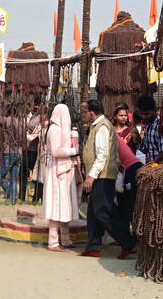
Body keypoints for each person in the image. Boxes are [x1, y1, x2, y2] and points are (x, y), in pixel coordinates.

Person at [79, 97, 137, 259]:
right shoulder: (97, 126)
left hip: (103, 175)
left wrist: (91, 176)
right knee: (93, 212)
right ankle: (93, 246)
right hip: (100, 174)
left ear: (92, 113)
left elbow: (103, 154)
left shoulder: (102, 127)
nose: (83, 115)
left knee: (102, 210)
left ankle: (127, 241)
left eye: (85, 112)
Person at [39, 103, 79, 251]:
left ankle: (66, 238)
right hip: (57, 171)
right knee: (56, 205)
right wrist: (73, 150)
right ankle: (53, 241)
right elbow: (56, 152)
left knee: (63, 204)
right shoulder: (55, 130)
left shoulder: (59, 129)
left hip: (62, 170)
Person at [113, 102, 144, 227]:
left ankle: (130, 227)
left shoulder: (130, 131)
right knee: (117, 199)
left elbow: (138, 147)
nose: (123, 118)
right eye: (121, 115)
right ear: (115, 116)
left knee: (128, 199)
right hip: (114, 168)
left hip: (128, 168)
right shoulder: (111, 131)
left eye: (125, 115)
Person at [0, 109, 22, 203]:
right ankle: (13, 199)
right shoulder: (21, 122)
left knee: (0, 177)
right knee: (14, 178)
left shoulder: (6, 120)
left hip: (8, 152)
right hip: (18, 153)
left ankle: (11, 193)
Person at [135, 93, 163, 165]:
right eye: (141, 114)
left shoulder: (160, 125)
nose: (143, 117)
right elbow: (145, 148)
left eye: (147, 114)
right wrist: (137, 139)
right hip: (150, 167)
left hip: (159, 168)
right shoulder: (147, 125)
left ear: (154, 111)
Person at [21, 109, 44, 204]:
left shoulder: (40, 121)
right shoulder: (35, 118)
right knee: (32, 176)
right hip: (31, 150)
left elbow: (31, 135)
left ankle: (37, 197)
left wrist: (24, 126)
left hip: (35, 152)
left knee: (37, 177)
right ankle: (31, 197)